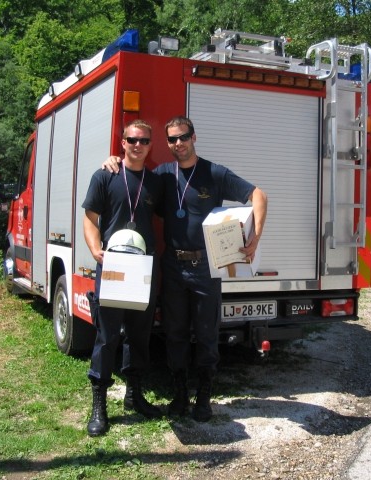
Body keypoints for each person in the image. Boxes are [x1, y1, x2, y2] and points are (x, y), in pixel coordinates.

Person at [103, 115, 267, 422]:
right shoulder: (163, 174)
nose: (179, 143)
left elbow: (258, 195)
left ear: (194, 137)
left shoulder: (214, 173)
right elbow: (133, 178)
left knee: (206, 334)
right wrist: (114, 160)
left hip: (207, 267)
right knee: (175, 334)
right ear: (167, 144)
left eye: (184, 137)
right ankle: (180, 394)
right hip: (174, 266)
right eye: (172, 139)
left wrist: (254, 236)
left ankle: (203, 397)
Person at [82, 119, 163, 437]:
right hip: (113, 266)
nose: (138, 146)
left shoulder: (157, 183)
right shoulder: (105, 175)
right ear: (122, 143)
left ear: (150, 145)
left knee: (139, 336)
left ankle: (134, 395)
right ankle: (99, 404)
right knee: (107, 337)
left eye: (144, 141)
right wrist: (95, 249)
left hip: (143, 270)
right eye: (132, 140)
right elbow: (90, 218)